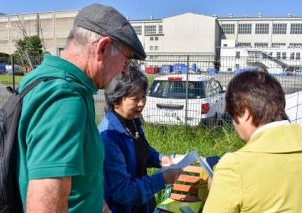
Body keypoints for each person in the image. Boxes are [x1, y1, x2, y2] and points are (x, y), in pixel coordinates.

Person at [16, 3, 146, 213]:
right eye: (125, 61)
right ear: (102, 48)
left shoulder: (43, 79)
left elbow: (77, 182)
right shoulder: (65, 100)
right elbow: (45, 206)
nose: (124, 72)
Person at [203, 71, 302, 212]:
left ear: (245, 113)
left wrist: (217, 189)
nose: (233, 124)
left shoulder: (235, 167)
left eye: (232, 116)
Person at [98, 65, 182, 213]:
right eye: (135, 98)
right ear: (116, 100)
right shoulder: (109, 137)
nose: (141, 103)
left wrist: (159, 159)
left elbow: (142, 150)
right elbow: (123, 191)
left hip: (142, 203)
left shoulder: (132, 121)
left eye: (143, 96)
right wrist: (162, 179)